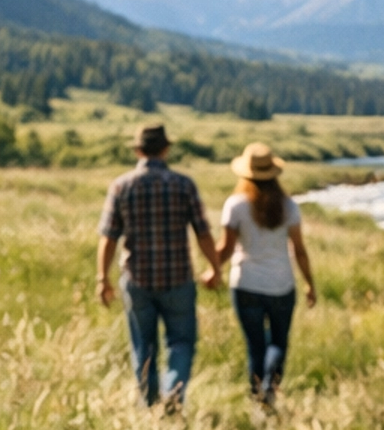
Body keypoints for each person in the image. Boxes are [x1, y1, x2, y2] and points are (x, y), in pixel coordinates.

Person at [97, 123, 221, 411]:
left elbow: (109, 238)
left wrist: (102, 278)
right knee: (180, 342)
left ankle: (150, 404)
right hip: (177, 277)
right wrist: (215, 267)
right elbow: (203, 233)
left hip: (138, 278)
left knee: (144, 345)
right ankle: (174, 394)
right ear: (166, 149)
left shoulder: (121, 186)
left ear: (138, 150)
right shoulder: (184, 184)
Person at [216, 142, 315, 407]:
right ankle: (271, 388)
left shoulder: (236, 205)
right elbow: (300, 250)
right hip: (281, 284)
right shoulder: (288, 206)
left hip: (246, 283)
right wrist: (310, 284)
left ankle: (257, 395)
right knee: (279, 343)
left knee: (255, 345)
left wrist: (212, 270)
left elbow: (225, 249)